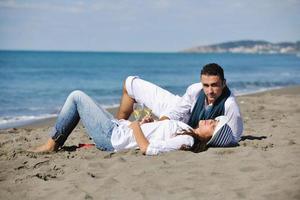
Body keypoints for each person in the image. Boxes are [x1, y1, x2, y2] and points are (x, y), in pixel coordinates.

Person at [29, 90, 234, 155]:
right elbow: (156, 136)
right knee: (82, 99)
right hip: (119, 128)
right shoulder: (187, 130)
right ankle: (54, 141)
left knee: (77, 96)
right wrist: (147, 124)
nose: (209, 120)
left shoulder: (188, 142)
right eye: (214, 120)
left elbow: (148, 149)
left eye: (213, 125)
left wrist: (136, 126)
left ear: (211, 137)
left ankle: (52, 144)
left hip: (113, 137)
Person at [116, 63, 243, 146]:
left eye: (214, 85)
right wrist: (160, 124)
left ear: (224, 83)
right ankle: (117, 128)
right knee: (130, 84)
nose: (209, 90)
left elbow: (233, 139)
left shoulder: (230, 105)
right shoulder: (195, 90)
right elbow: (177, 111)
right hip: (179, 115)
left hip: (190, 131)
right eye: (206, 85)